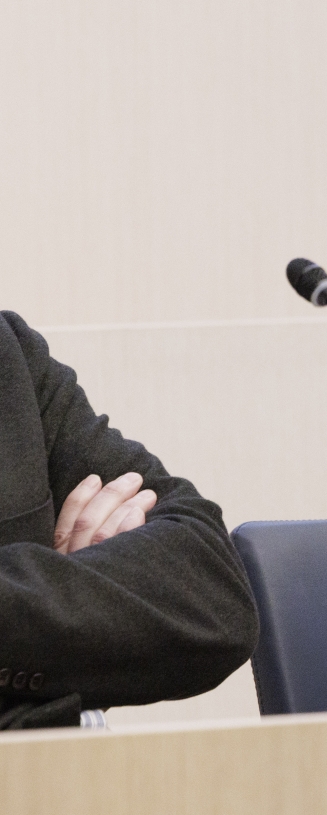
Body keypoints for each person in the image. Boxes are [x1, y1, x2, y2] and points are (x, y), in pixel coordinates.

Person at [0, 312, 258, 729]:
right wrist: (78, 588)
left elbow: (214, 595)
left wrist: (61, 584)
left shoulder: (9, 354)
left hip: (59, 779)